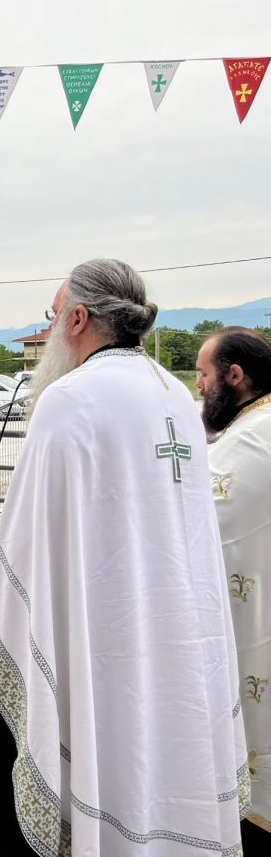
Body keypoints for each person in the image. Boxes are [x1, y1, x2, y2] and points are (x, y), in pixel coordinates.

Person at [0, 259, 249, 856]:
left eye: (53, 316)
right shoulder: (175, 393)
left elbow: (29, 537)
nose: (51, 330)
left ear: (77, 319)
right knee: (160, 738)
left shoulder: (70, 399)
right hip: (177, 624)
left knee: (98, 732)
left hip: (97, 629)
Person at [198, 326, 271, 851]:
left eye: (204, 374)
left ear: (235, 375)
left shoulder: (251, 438)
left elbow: (201, 528)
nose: (200, 387)